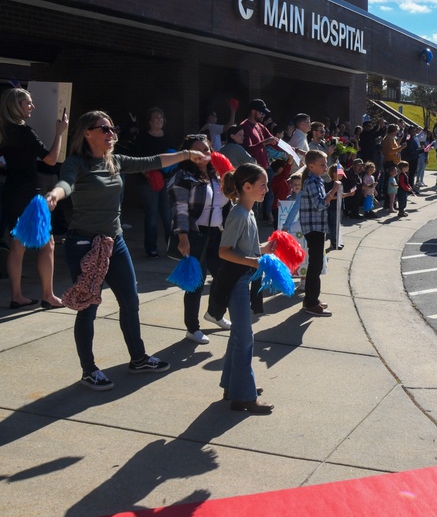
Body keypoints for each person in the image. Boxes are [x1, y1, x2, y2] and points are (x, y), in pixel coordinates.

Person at [44, 110, 209, 391]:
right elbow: (65, 184)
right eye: (104, 129)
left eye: (112, 128)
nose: (111, 134)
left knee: (130, 302)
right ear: (87, 133)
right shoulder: (77, 163)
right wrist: (53, 196)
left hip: (114, 241)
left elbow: (153, 161)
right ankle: (89, 370)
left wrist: (186, 154)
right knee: (89, 307)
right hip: (84, 244)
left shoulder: (115, 161)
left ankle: (139, 358)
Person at [0, 88, 69, 309]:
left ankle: (16, 295)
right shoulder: (24, 132)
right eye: (28, 103)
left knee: (17, 246)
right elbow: (50, 160)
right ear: (16, 106)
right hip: (29, 194)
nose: (32, 107)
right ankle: (48, 296)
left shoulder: (3, 131)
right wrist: (60, 132)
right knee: (47, 244)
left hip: (11, 192)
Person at [217, 162, 273, 413]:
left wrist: (263, 249)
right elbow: (224, 252)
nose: (266, 190)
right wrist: (253, 260)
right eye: (262, 185)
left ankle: (233, 386)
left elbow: (245, 248)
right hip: (236, 281)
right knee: (245, 337)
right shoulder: (238, 214)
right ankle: (244, 397)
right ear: (247, 187)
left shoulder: (248, 212)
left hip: (244, 279)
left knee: (239, 335)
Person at [168, 134, 228, 345]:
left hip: (217, 233)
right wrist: (183, 237)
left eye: (207, 149)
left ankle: (215, 313)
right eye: (199, 150)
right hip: (195, 233)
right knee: (197, 282)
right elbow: (180, 209)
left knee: (223, 275)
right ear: (188, 154)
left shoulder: (216, 174)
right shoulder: (183, 176)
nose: (205, 154)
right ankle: (192, 328)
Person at [131, 107, 175, 257]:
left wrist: (170, 172)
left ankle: (172, 247)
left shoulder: (168, 136)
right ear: (149, 121)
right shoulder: (142, 137)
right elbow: (137, 158)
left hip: (166, 180)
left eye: (161, 117)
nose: (159, 120)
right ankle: (151, 248)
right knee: (151, 214)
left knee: (168, 214)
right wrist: (148, 173)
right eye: (156, 117)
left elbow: (174, 156)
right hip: (148, 180)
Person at [299, 150, 335, 317]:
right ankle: (312, 302)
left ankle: (310, 298)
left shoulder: (317, 180)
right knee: (315, 265)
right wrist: (333, 190)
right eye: (322, 164)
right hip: (313, 227)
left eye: (325, 163)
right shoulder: (312, 182)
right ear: (311, 166)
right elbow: (320, 204)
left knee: (316, 264)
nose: (325, 167)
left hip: (317, 227)